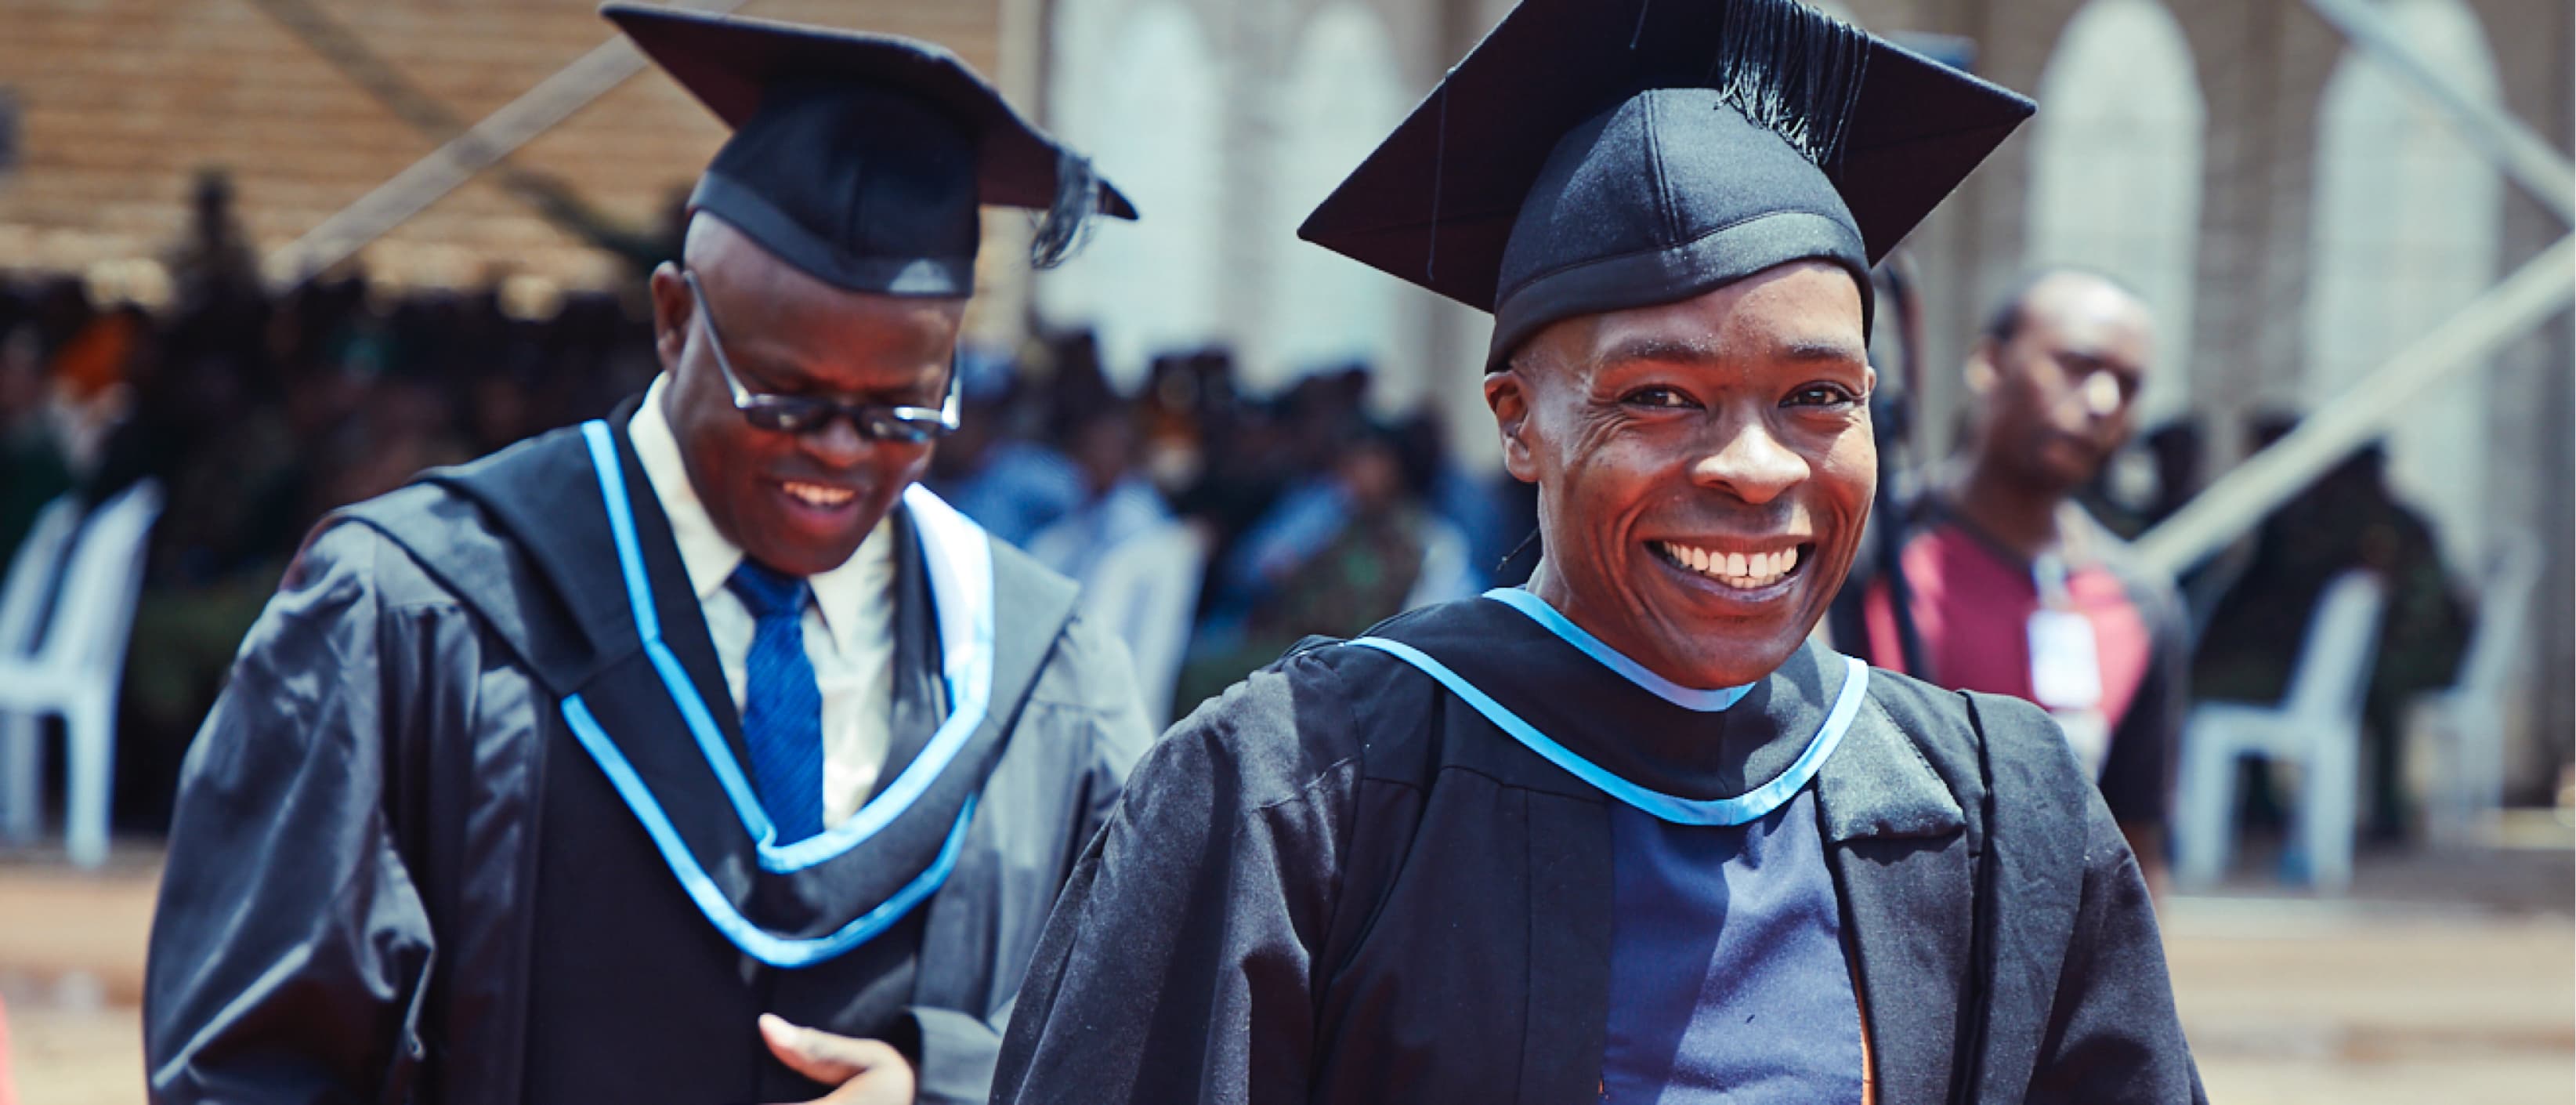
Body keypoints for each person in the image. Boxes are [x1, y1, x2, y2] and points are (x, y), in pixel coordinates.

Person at [993, 1, 2205, 1102]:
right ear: (1521, 423)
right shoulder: (1291, 796)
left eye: (1820, 395)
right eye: (1663, 395)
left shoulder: (1997, 813)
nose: (1758, 465)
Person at [142, 7, 1150, 1104]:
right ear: (674, 319)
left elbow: (1144, 1039)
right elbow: (248, 1068)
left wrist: (939, 1083)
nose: (839, 449)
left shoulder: (1043, 671)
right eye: (786, 393)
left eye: (902, 409)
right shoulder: (411, 613)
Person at [1841, 269, 2190, 888]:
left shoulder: (2143, 602)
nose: (2102, 401)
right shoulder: (1863, 550)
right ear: (1988, 363)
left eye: (2128, 385)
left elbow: (2136, 843)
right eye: (2076, 365)